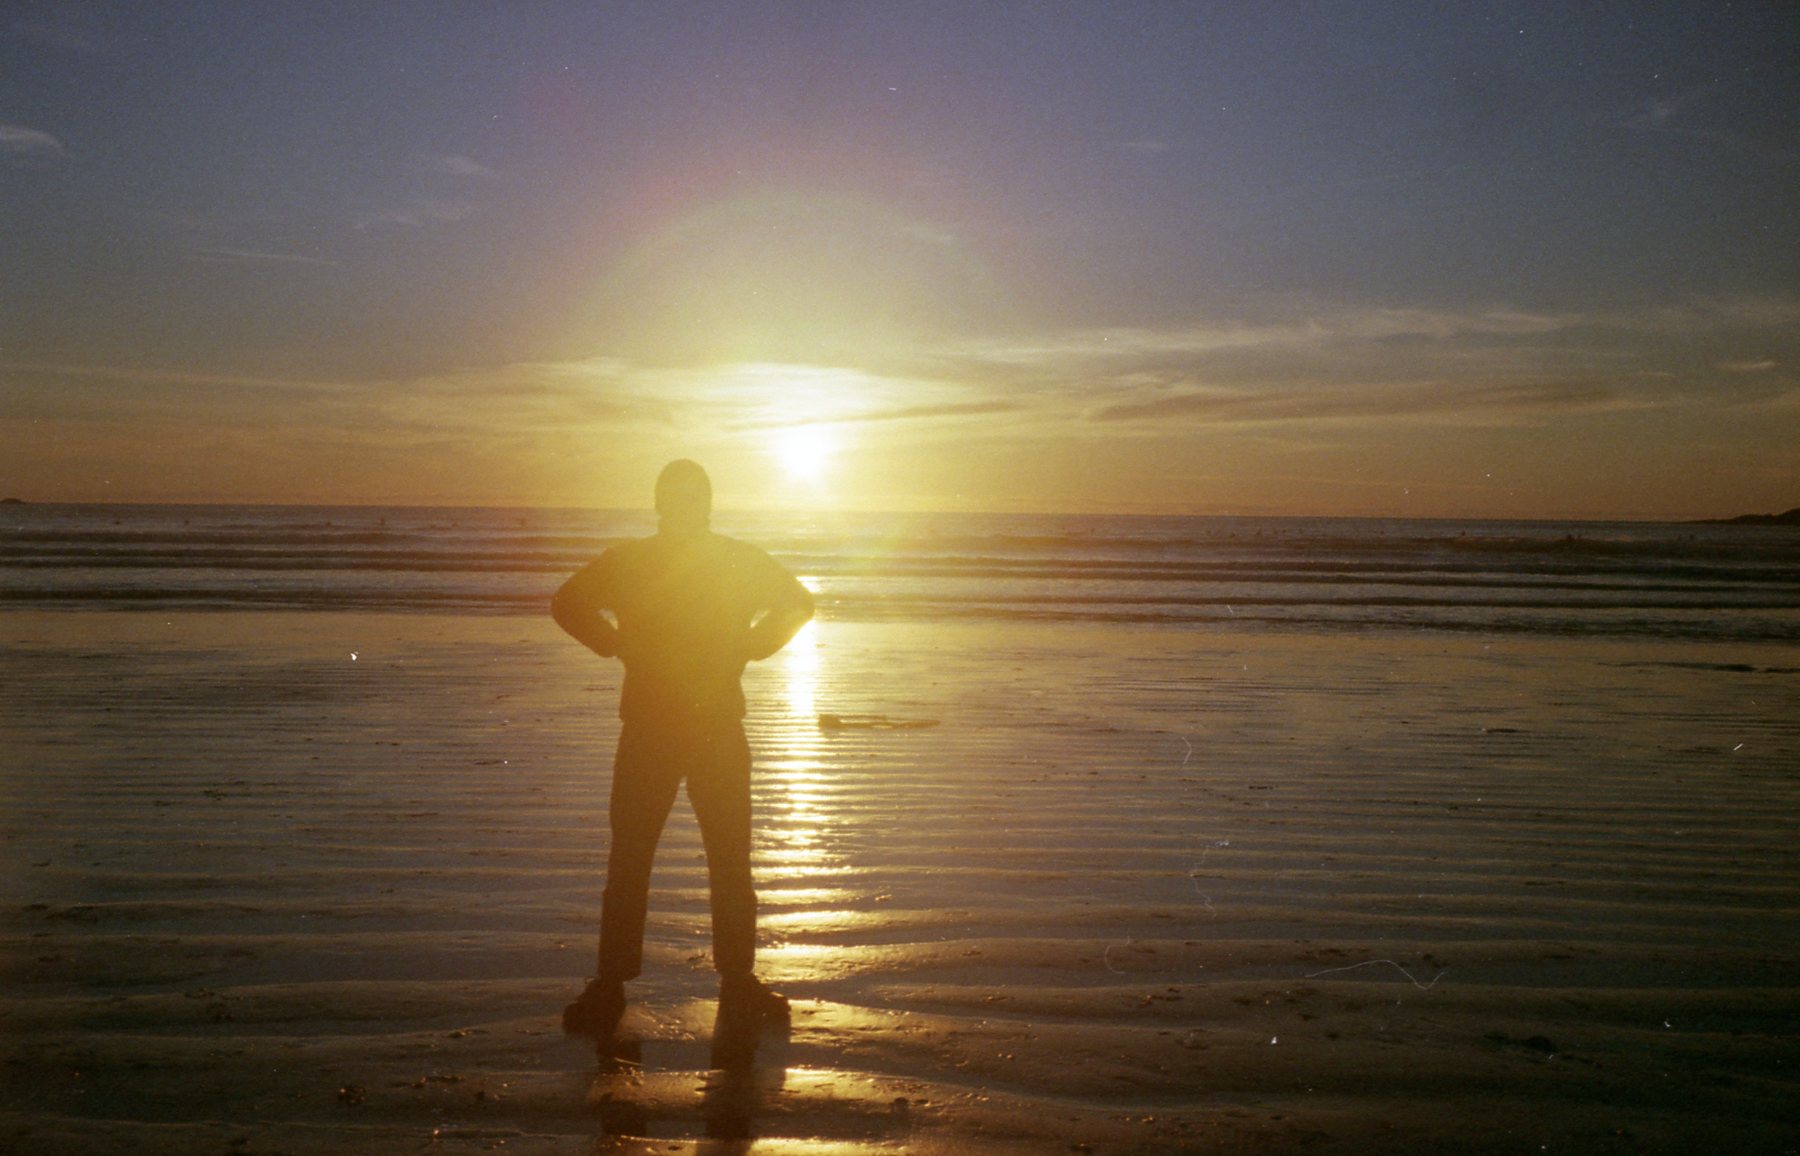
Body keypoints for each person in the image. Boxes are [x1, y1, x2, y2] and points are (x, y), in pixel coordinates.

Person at [552, 459, 815, 1037]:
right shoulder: (640, 561)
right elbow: (567, 603)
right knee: (640, 855)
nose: (687, 506)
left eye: (692, 497)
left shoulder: (726, 559)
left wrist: (756, 643)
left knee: (720, 855)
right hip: (659, 724)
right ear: (666, 504)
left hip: (708, 724)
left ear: (701, 503)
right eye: (681, 497)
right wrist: (614, 642)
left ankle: (731, 982)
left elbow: (797, 602)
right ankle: (616, 983)